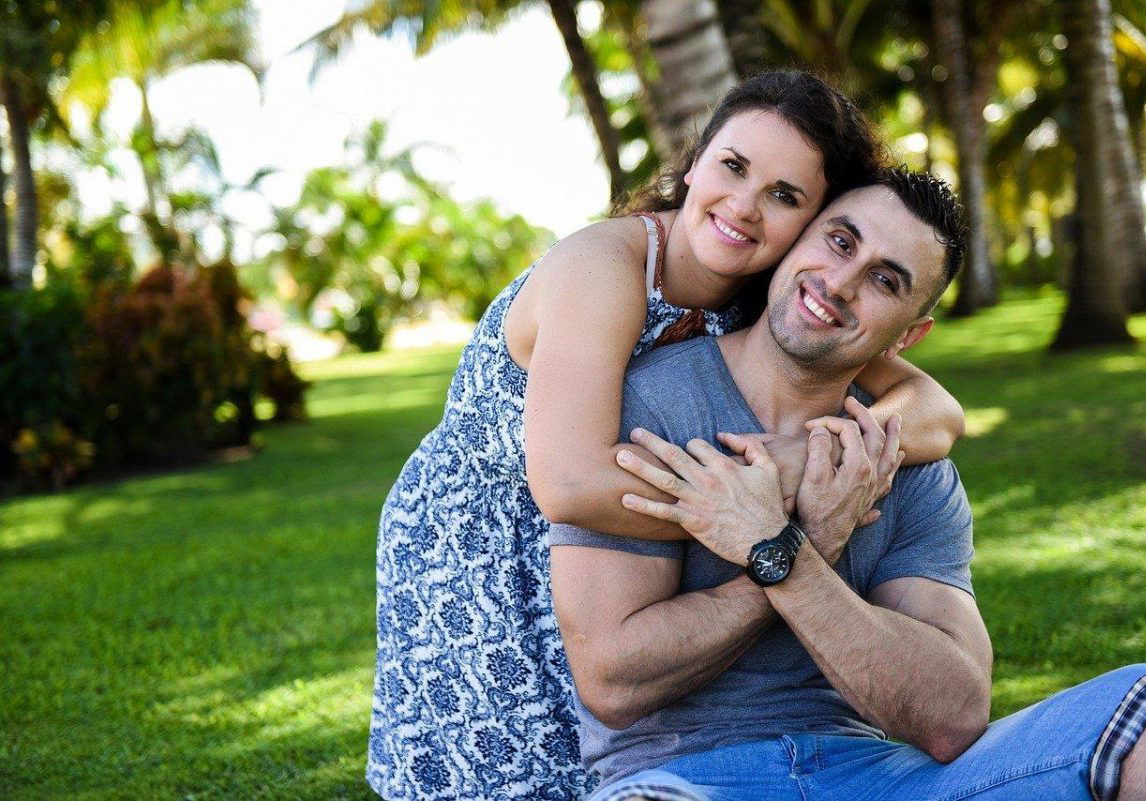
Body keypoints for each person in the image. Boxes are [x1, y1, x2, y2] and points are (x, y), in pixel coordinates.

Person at [368, 73, 969, 801]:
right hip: (479, 544)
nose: (743, 206)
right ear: (692, 162)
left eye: (784, 195)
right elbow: (569, 484)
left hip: (599, 547)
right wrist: (770, 502)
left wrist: (801, 459)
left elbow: (937, 409)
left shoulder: (773, 290)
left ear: (810, 223)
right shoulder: (606, 266)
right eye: (733, 166)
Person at [549, 168, 1146, 801]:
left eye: (885, 280)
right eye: (840, 241)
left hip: (875, 774)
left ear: (907, 335)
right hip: (680, 777)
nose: (840, 283)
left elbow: (954, 715)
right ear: (795, 240)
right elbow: (613, 681)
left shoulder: (901, 455)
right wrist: (797, 543)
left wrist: (789, 560)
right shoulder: (652, 404)